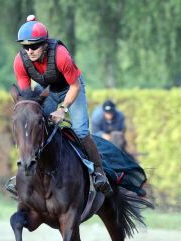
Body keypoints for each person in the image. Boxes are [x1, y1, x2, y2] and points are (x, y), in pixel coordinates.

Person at [8, 15, 112, 197]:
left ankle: (98, 172)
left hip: (70, 88)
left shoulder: (61, 56)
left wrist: (62, 109)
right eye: (25, 47)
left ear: (45, 44)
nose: (30, 51)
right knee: (33, 125)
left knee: (80, 131)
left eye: (34, 46)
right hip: (46, 89)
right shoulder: (20, 62)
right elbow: (27, 97)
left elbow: (75, 86)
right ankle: (24, 174)